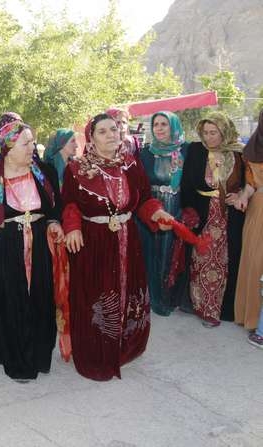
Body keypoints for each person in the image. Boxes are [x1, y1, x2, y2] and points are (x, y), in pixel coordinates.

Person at [62, 114, 174, 381]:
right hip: (93, 242)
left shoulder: (131, 164)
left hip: (127, 236)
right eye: (102, 131)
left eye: (114, 129)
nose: (111, 135)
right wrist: (73, 226)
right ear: (91, 138)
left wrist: (157, 213)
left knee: (128, 291)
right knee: (97, 298)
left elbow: (144, 199)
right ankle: (96, 353)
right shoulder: (76, 168)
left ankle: (125, 347)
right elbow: (69, 204)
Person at [0, 119, 64, 381]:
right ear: (7, 147)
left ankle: (38, 355)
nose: (33, 147)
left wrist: (54, 223)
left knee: (40, 299)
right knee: (12, 302)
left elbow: (55, 210)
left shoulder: (45, 173)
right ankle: (18, 360)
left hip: (40, 247)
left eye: (32, 141)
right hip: (4, 249)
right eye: (26, 143)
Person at [180, 112, 244, 327]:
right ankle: (203, 307)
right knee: (202, 259)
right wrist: (189, 210)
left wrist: (241, 193)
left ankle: (221, 309)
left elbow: (248, 182)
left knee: (226, 262)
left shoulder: (239, 154)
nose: (209, 138)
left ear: (224, 132)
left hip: (229, 218)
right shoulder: (196, 150)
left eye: (213, 133)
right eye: (205, 133)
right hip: (204, 213)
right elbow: (187, 183)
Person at [138, 111, 191, 316]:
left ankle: (167, 298)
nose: (159, 128)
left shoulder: (186, 150)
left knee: (171, 253)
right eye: (156, 124)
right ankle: (151, 298)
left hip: (175, 208)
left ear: (174, 126)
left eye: (164, 124)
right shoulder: (145, 153)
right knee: (150, 252)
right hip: (152, 208)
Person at [234, 109, 263, 332]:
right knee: (256, 263)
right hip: (260, 212)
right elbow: (251, 183)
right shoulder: (254, 149)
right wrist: (243, 196)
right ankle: (254, 319)